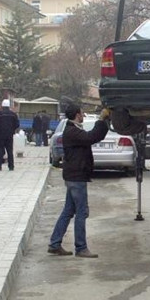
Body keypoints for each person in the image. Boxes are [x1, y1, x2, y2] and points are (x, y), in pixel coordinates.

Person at [47, 104, 110, 257]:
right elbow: (91, 137)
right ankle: (81, 248)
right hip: (76, 177)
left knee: (68, 211)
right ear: (77, 114)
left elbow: (95, 136)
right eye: (82, 113)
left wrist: (104, 122)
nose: (84, 115)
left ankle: (55, 243)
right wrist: (101, 119)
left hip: (73, 176)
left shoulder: (73, 129)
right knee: (82, 212)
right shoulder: (72, 131)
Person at [0, 99, 19, 171]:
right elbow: (17, 124)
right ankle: (11, 166)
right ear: (9, 106)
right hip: (10, 135)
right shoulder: (13, 114)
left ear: (2, 106)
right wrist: (12, 129)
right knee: (10, 151)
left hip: (1, 134)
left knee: (0, 150)